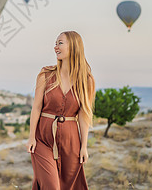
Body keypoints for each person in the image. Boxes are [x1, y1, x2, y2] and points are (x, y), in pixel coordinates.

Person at [26, 31, 96, 190]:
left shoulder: (86, 80)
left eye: (60, 43)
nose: (55, 47)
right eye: (56, 43)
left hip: (71, 142)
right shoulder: (46, 75)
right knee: (51, 186)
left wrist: (84, 146)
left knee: (67, 186)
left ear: (74, 46)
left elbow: (84, 115)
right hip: (43, 138)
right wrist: (31, 137)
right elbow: (36, 108)